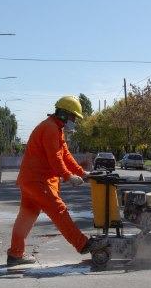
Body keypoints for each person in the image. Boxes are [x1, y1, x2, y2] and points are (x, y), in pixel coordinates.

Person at [6, 96, 104, 267]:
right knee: (59, 210)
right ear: (64, 114)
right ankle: (82, 244)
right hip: (38, 181)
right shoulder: (50, 128)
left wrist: (83, 173)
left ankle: (15, 254)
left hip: (31, 180)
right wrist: (68, 176)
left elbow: (66, 156)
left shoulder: (55, 128)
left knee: (26, 217)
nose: (74, 121)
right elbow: (55, 159)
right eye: (73, 117)